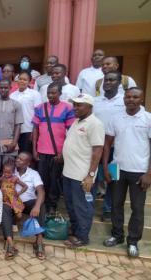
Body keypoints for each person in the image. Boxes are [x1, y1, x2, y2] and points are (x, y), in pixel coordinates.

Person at [103, 87, 151, 258]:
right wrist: (106, 167)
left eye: (135, 97)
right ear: (124, 98)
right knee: (116, 204)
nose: (131, 99)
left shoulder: (148, 119)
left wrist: (149, 174)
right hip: (117, 168)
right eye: (128, 96)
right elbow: (107, 144)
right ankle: (117, 235)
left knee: (137, 208)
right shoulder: (116, 118)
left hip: (140, 171)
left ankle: (133, 241)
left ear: (142, 99)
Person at [62, 94, 104, 248]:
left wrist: (91, 176)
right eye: (75, 104)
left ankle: (82, 237)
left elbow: (97, 150)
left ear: (90, 106)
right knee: (71, 205)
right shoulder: (76, 121)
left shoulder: (95, 124)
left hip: (82, 176)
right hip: (68, 173)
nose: (76, 108)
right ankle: (75, 232)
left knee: (83, 207)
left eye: (80, 105)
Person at [32, 82, 75, 214]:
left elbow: (71, 132)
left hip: (58, 152)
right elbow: (35, 129)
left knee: (55, 180)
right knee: (42, 179)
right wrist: (34, 149)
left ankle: (52, 205)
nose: (50, 95)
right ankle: (42, 204)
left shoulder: (68, 108)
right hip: (42, 150)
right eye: (49, 93)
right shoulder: (40, 107)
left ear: (60, 93)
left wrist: (63, 153)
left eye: (54, 92)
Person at [93, 71, 126, 222]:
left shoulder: (124, 101)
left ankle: (108, 209)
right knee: (92, 176)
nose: (108, 82)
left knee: (112, 178)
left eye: (112, 80)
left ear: (119, 83)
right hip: (95, 145)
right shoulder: (96, 101)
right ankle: (89, 205)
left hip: (115, 147)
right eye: (106, 80)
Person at [1, 152, 46, 260]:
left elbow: (41, 192)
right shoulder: (10, 170)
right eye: (17, 158)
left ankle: (39, 241)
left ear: (28, 163)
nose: (17, 160)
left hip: (28, 202)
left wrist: (37, 206)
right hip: (13, 203)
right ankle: (10, 244)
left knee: (41, 204)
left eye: (21, 160)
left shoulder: (33, 174)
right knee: (4, 208)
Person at [0, 79, 23, 185]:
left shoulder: (16, 104)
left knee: (9, 171)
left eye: (5, 87)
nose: (3, 89)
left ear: (10, 88)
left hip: (10, 143)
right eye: (1, 87)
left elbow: (18, 125)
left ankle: (7, 196)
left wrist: (14, 143)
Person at [10, 70, 42, 153]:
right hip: (15, 131)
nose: (22, 81)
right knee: (15, 156)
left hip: (29, 130)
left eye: (25, 79)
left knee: (26, 155)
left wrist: (35, 132)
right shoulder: (12, 95)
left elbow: (38, 114)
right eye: (20, 79)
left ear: (30, 81)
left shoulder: (35, 94)